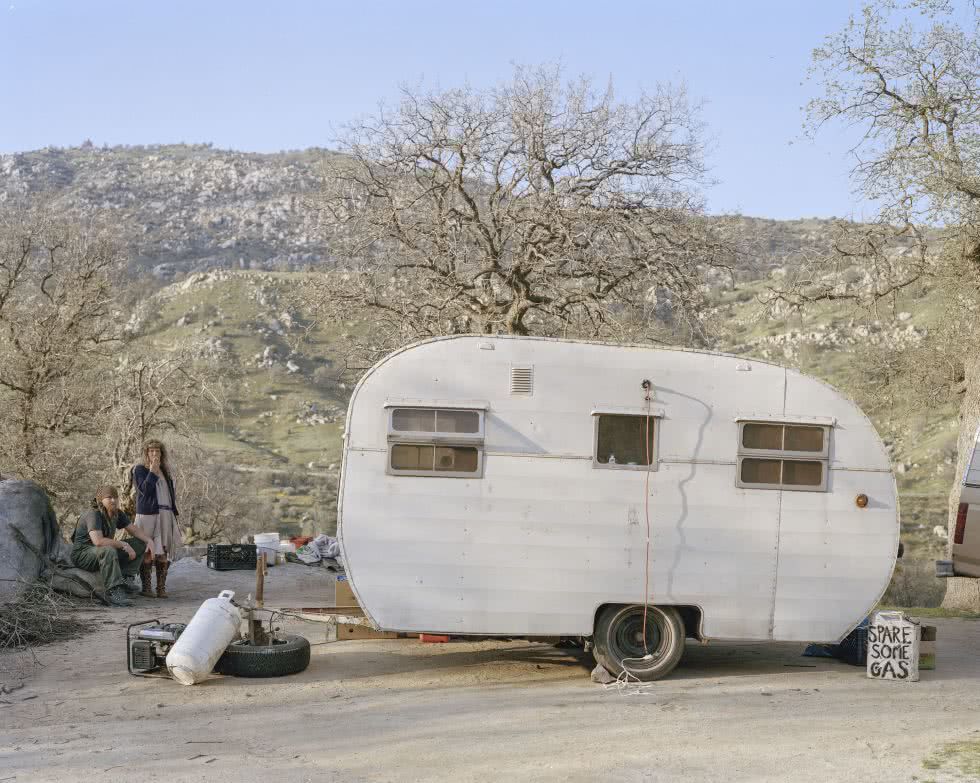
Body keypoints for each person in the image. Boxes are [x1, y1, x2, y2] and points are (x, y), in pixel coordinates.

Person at [71, 485, 154, 607]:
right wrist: (123, 544)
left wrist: (149, 541)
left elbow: (134, 530)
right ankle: (114, 592)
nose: (113, 500)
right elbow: (98, 541)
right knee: (109, 550)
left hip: (102, 552)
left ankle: (126, 578)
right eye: (109, 497)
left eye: (115, 497)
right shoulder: (93, 514)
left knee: (140, 543)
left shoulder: (116, 513)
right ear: (101, 499)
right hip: (82, 554)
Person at [132, 440, 182, 598]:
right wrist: (152, 471)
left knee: (163, 551)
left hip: (165, 514)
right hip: (147, 514)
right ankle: (146, 588)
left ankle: (161, 588)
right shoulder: (139, 469)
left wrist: (173, 513)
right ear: (146, 453)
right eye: (151, 451)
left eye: (158, 451)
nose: (155, 454)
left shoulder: (165, 471)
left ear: (162, 453)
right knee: (147, 550)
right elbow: (144, 491)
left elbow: (170, 495)